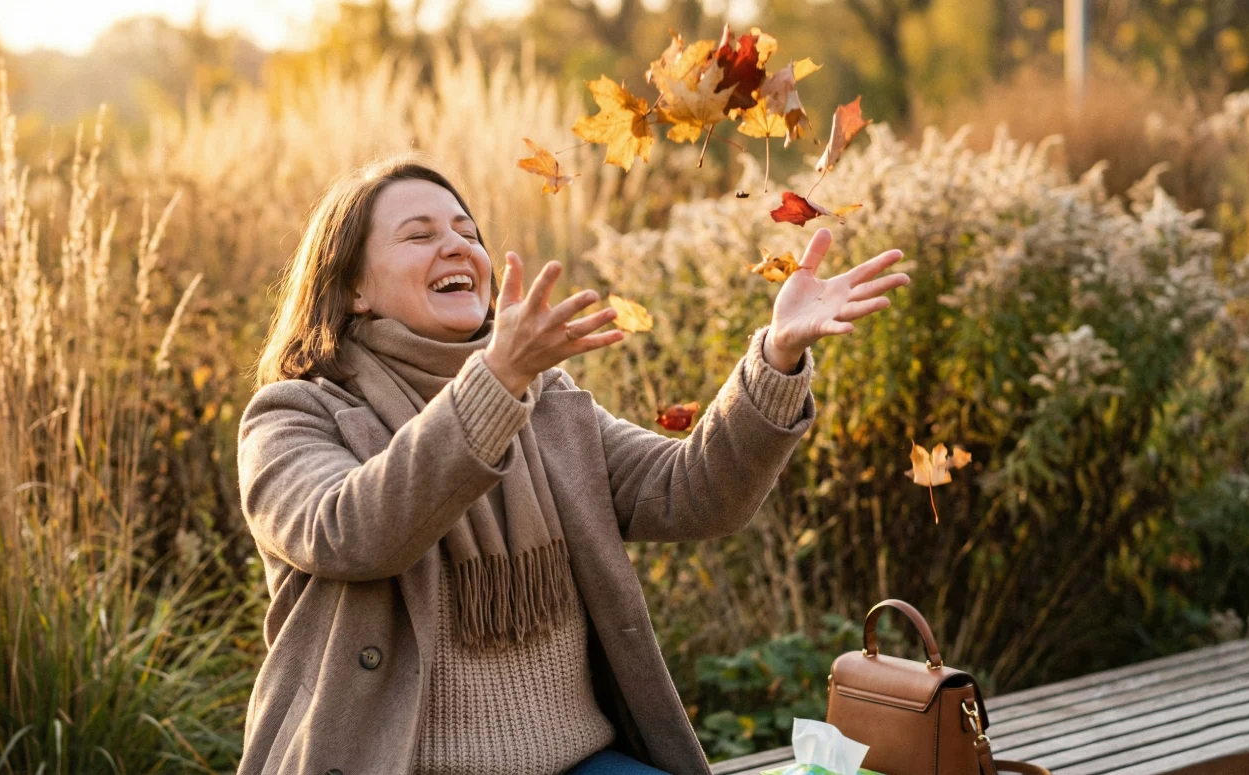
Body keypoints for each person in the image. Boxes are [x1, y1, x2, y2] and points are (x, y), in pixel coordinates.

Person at [235, 154, 910, 775]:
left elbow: (694, 493)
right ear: (353, 287)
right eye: (418, 234)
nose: (456, 246)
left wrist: (778, 358)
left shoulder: (544, 398)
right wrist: (495, 384)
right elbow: (351, 531)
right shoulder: (292, 415)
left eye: (467, 230)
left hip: (579, 763)